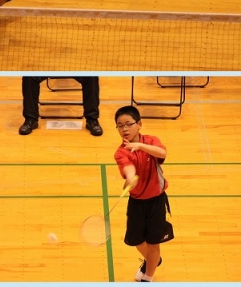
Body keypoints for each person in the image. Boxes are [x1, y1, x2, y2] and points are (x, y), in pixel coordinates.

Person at [114, 105, 173, 282]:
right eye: (120, 126)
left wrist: (140, 146)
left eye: (128, 124)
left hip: (156, 201)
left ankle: (148, 277)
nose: (124, 129)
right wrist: (130, 177)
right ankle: (153, 260)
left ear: (139, 124)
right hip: (137, 202)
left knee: (154, 243)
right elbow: (128, 168)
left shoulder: (151, 141)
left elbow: (162, 153)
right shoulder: (120, 152)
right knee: (136, 241)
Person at [19, 76, 102, 136]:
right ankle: (31, 119)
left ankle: (92, 120)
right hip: (48, 65)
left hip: (72, 65)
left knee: (91, 76)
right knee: (29, 76)